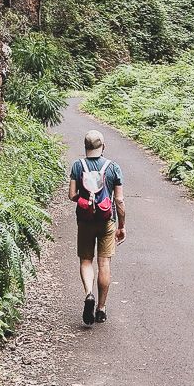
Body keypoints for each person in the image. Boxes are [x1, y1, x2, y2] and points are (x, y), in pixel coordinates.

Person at [68, 129, 126, 325]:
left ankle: (89, 294)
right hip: (106, 220)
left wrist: (85, 200)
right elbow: (119, 200)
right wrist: (122, 226)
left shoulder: (78, 165)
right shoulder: (113, 167)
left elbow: (72, 195)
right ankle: (101, 308)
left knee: (86, 260)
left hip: (85, 220)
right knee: (104, 263)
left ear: (85, 147)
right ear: (103, 147)